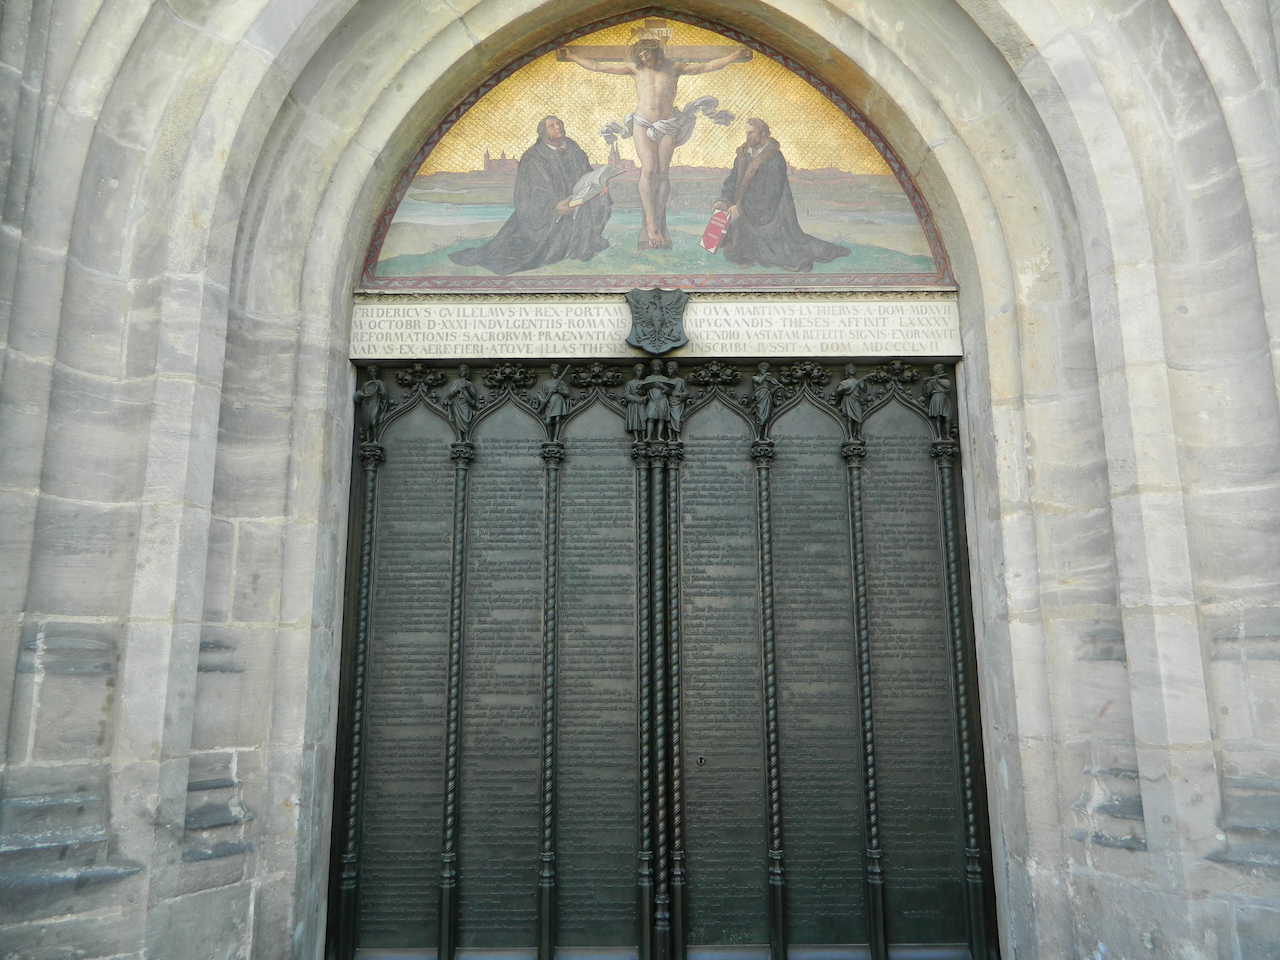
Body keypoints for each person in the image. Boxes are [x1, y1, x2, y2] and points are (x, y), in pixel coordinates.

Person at [559, 39, 748, 248]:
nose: (643, 59)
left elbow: (705, 66)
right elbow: (598, 66)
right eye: (639, 56)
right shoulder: (635, 69)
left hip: (667, 124)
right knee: (648, 170)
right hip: (642, 122)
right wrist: (571, 57)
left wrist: (733, 56)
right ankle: (650, 224)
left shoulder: (674, 68)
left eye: (646, 55)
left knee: (662, 171)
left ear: (655, 52)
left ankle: (658, 219)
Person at [449, 117, 611, 275]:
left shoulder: (573, 147)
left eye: (559, 124)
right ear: (543, 132)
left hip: (576, 198)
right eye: (552, 126)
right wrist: (555, 205)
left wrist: (599, 185)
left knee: (602, 199)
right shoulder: (532, 156)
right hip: (545, 209)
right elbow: (532, 191)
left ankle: (586, 243)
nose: (558, 127)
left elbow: (586, 171)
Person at [713, 119, 850, 272]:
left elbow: (772, 192)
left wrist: (740, 208)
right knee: (733, 247)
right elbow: (732, 181)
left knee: (785, 254)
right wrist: (724, 201)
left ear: (762, 133)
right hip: (744, 208)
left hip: (773, 214)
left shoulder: (774, 158)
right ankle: (745, 255)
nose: (748, 136)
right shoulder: (743, 155)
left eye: (751, 133)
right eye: (747, 133)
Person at [535, 364, 572, 440]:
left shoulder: (561, 382)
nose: (555, 373)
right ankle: (549, 438)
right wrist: (541, 399)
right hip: (549, 403)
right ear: (551, 372)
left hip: (559, 401)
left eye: (556, 371)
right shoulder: (546, 383)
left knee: (557, 420)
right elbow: (540, 393)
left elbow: (567, 394)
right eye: (554, 371)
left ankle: (555, 438)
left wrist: (559, 391)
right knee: (548, 421)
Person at [441, 365, 479, 438]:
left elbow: (474, 396)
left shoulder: (469, 384)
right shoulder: (456, 382)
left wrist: (467, 388)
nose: (462, 372)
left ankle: (467, 438)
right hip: (457, 402)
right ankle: (460, 438)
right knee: (458, 420)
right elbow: (449, 396)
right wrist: (457, 390)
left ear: (466, 372)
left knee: (466, 420)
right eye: (461, 371)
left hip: (466, 403)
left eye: (464, 371)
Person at [642, 358, 672, 440]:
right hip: (652, 401)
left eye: (657, 367)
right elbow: (642, 390)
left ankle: (659, 436)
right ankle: (648, 437)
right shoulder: (648, 379)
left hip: (662, 400)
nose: (656, 369)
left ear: (661, 368)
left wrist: (662, 387)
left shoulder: (665, 379)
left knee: (661, 419)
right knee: (650, 418)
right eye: (654, 367)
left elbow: (670, 391)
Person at [833, 364, 867, 438]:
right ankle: (851, 437)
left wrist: (865, 382)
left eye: (853, 368)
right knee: (849, 419)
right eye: (850, 368)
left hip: (856, 400)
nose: (852, 369)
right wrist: (844, 389)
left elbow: (864, 390)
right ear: (847, 371)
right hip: (848, 399)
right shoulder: (844, 383)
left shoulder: (857, 381)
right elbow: (838, 391)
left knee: (859, 419)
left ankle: (858, 436)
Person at [923, 364, 952, 438]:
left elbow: (947, 386)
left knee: (947, 417)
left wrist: (937, 379)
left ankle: (947, 436)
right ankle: (939, 436)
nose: (942, 371)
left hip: (944, 398)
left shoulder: (945, 380)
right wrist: (926, 383)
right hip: (936, 398)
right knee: (938, 417)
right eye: (940, 370)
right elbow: (927, 392)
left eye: (942, 370)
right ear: (936, 372)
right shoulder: (932, 381)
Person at [623, 364, 646, 439]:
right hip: (633, 404)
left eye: (641, 371)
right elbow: (626, 394)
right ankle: (636, 438)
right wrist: (635, 399)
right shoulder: (630, 383)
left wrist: (644, 398)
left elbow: (649, 394)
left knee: (643, 420)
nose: (640, 373)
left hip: (642, 403)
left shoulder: (644, 383)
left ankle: (643, 437)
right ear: (635, 372)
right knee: (634, 420)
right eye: (638, 371)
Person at [666, 361, 689, 437]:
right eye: (668, 369)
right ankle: (670, 437)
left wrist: (679, 395)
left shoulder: (680, 381)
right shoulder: (666, 381)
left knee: (677, 419)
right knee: (668, 419)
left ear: (675, 370)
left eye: (671, 369)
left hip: (677, 403)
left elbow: (686, 392)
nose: (669, 371)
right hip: (668, 401)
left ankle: (677, 436)